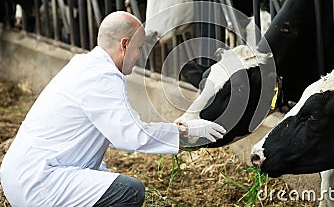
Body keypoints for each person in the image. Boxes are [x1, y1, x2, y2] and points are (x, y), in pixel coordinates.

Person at [0, 11, 226, 206]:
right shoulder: (102, 77)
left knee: (106, 179)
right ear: (124, 45)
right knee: (129, 191)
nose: (138, 57)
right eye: (138, 48)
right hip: (38, 181)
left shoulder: (85, 65)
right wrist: (186, 131)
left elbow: (121, 129)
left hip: (23, 173)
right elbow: (129, 136)